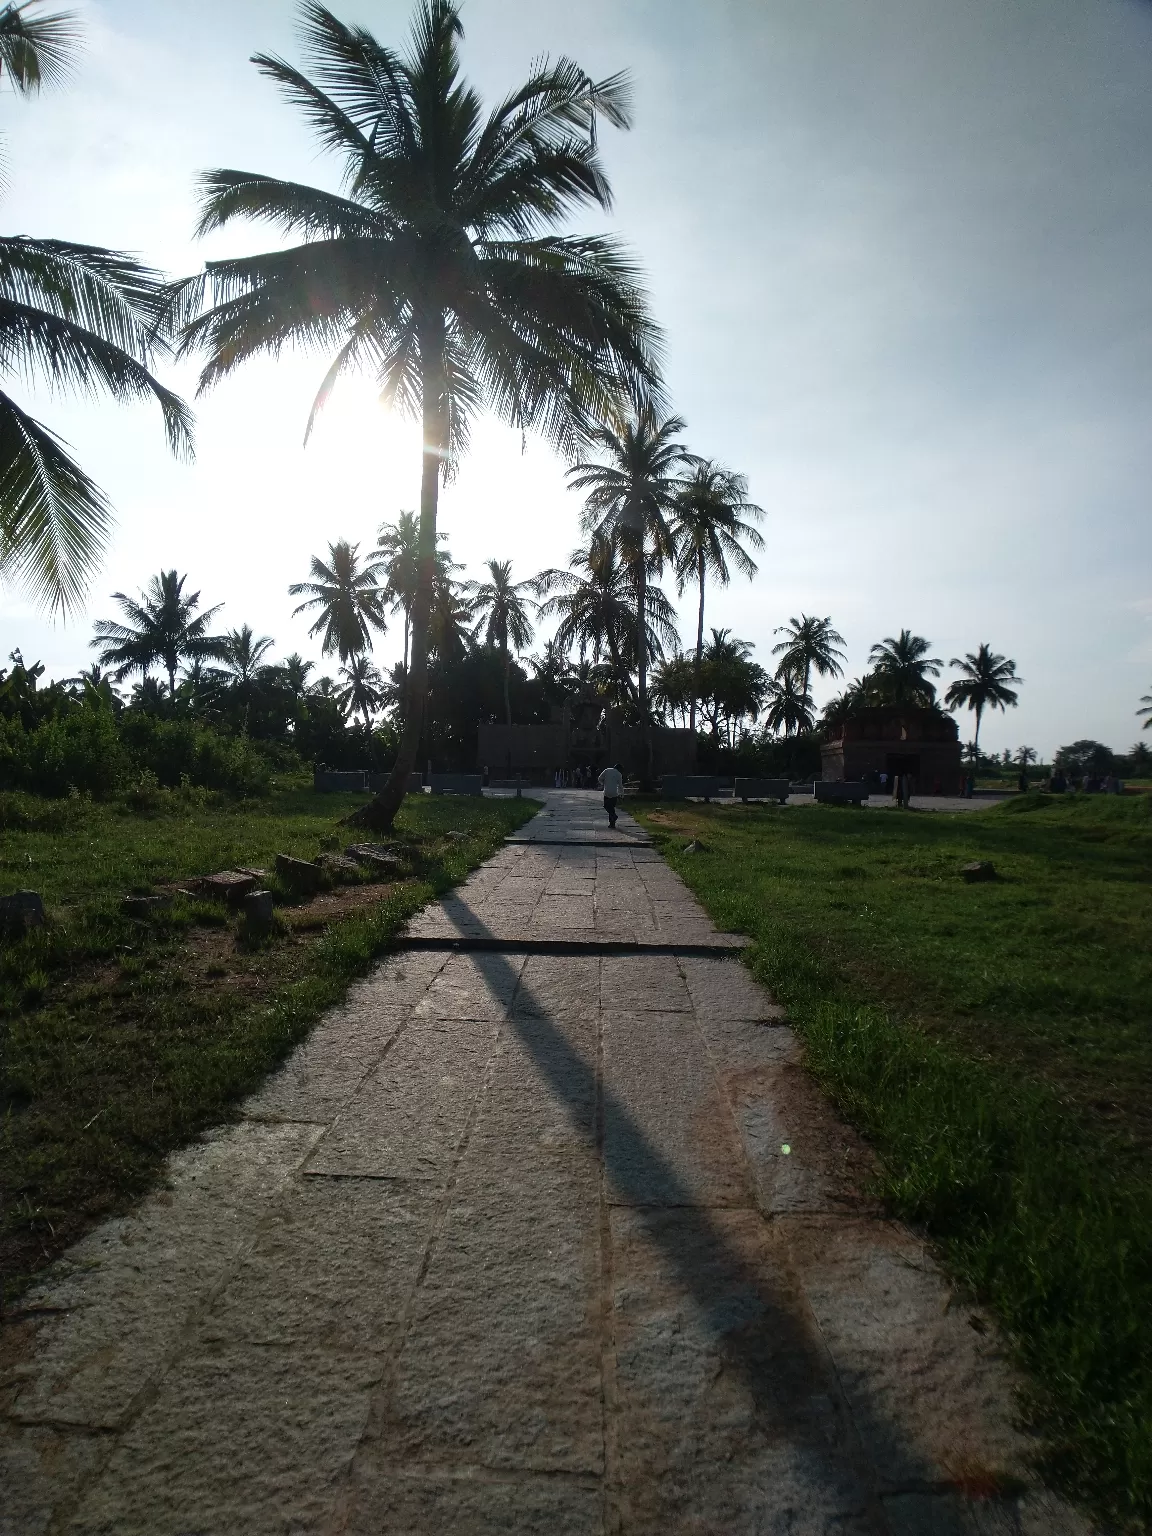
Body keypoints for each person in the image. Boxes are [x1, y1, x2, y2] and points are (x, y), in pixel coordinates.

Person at [598, 761, 624, 829]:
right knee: (612, 808)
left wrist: (603, 783)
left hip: (606, 792)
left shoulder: (607, 770)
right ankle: (612, 823)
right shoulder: (619, 774)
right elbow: (620, 786)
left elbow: (599, 778)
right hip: (614, 793)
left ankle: (613, 819)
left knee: (606, 806)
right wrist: (621, 794)